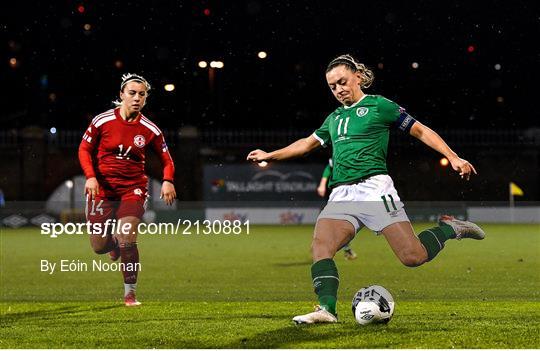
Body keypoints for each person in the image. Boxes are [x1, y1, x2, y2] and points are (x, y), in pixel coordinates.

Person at [247, 54, 485, 324]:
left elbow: (420, 130)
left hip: (375, 191)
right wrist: (270, 155)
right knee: (321, 246)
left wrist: (453, 156)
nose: (338, 89)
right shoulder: (334, 119)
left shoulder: (378, 106)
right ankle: (327, 309)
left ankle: (450, 228)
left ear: (358, 77)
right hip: (342, 195)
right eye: (333, 86)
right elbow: (306, 143)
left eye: (342, 82)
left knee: (413, 256)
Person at [78, 73, 176, 306]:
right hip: (101, 189)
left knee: (128, 237)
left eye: (141, 94)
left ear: (145, 99)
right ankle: (113, 244)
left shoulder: (150, 128)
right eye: (132, 93)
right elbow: (83, 149)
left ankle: (129, 293)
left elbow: (167, 160)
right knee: (99, 247)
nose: (136, 98)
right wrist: (91, 177)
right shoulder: (102, 121)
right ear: (121, 95)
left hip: (133, 189)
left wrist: (168, 180)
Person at [317, 159, 357, 260]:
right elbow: (329, 166)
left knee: (341, 222)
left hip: (348, 192)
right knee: (338, 222)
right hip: (339, 192)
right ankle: (336, 248)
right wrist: (322, 184)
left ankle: (336, 248)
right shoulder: (340, 152)